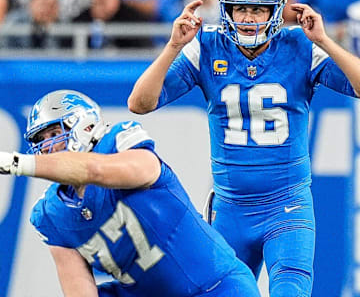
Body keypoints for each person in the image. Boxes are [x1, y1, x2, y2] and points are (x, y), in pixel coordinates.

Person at [127, 0, 360, 297]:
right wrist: (173, 46)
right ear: (227, 10)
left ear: (275, 13)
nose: (248, 18)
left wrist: (325, 41)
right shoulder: (206, 46)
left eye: (257, 10)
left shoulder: (301, 45)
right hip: (231, 208)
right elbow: (140, 103)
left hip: (287, 207)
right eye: (241, 9)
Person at [0, 89, 261, 297]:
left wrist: (18, 164)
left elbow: (100, 172)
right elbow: (79, 288)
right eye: (39, 140)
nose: (47, 147)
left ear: (86, 126)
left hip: (214, 286)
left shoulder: (120, 145)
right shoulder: (51, 213)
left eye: (55, 133)